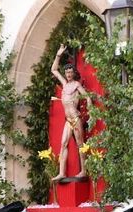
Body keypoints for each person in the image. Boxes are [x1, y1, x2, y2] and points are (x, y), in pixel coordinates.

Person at [50, 44, 89, 181]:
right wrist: (59, 54)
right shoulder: (64, 84)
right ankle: (62, 172)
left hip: (76, 118)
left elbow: (87, 96)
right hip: (68, 120)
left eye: (70, 72)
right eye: (67, 73)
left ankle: (83, 171)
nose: (68, 74)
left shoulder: (77, 85)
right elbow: (54, 70)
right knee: (63, 143)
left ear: (74, 73)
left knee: (80, 144)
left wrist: (90, 113)